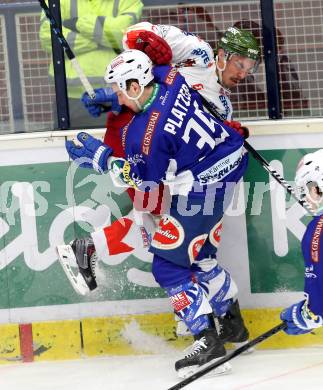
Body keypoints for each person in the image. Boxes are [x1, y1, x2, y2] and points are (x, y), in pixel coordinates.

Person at [61, 23, 260, 351]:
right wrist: (137, 56)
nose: (243, 74)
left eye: (249, 69)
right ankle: (225, 322)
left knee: (169, 241)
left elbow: (149, 168)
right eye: (240, 63)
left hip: (172, 160)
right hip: (149, 136)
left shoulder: (215, 102)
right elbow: (138, 36)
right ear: (222, 56)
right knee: (180, 241)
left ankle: (209, 326)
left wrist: (102, 159)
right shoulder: (196, 56)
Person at [39, 0, 143, 128]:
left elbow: (122, 34)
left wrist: (77, 24)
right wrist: (99, 40)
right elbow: (48, 37)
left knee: (122, 143)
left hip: (119, 94)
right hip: (70, 97)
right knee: (72, 144)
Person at [280, 149, 323, 334]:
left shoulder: (318, 229)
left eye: (305, 189)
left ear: (318, 187)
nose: (304, 199)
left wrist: (308, 314)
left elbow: (319, 289)